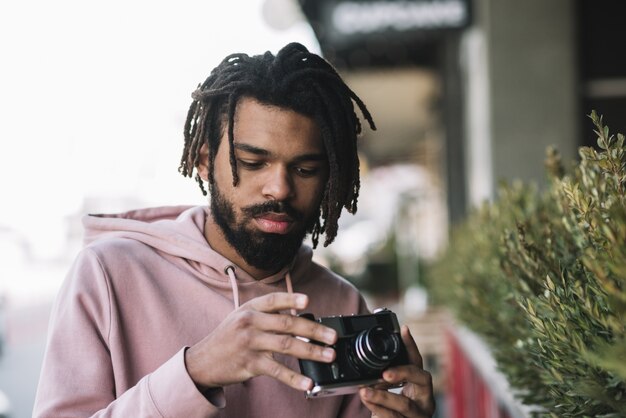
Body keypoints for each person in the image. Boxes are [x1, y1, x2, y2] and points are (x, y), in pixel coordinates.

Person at [33, 42, 435, 418]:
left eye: (305, 169)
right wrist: (195, 372)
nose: (279, 188)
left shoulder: (341, 303)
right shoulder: (109, 275)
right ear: (205, 162)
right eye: (254, 163)